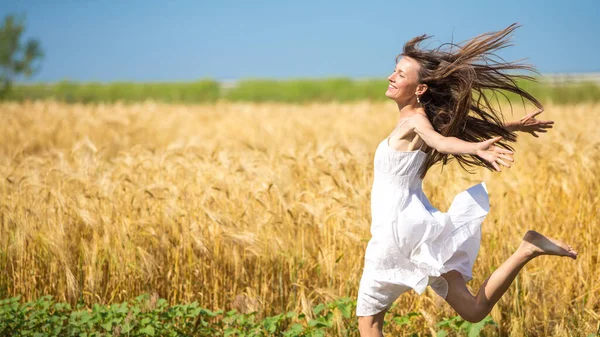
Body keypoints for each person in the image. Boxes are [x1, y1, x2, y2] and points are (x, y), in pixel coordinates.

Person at [356, 23, 578, 337]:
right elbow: (455, 133)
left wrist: (476, 149)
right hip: (421, 227)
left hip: (396, 232)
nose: (392, 77)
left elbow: (442, 143)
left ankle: (527, 249)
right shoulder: (419, 118)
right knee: (473, 311)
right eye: (394, 71)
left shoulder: (416, 120)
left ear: (420, 89)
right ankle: (526, 249)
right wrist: (512, 125)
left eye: (401, 74)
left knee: (370, 324)